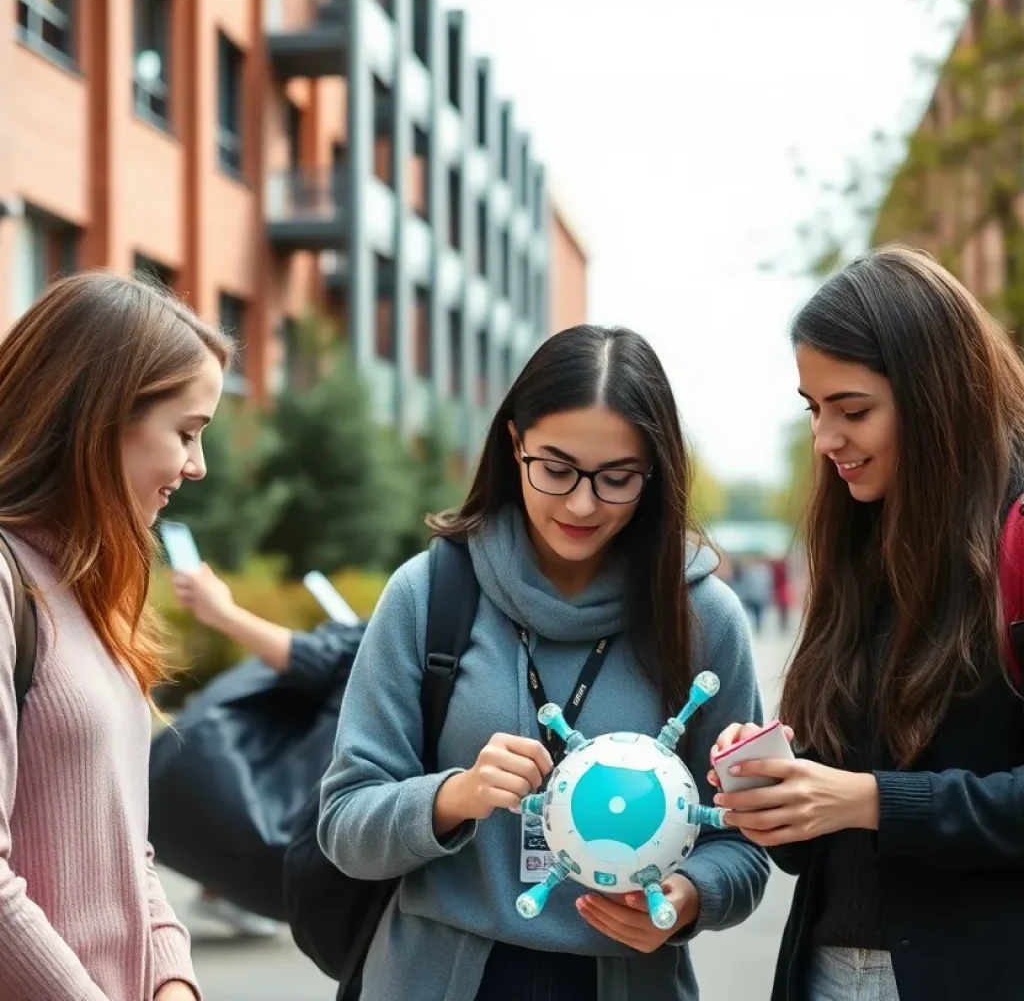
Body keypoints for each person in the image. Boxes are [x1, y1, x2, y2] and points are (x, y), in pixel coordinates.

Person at [318, 325, 770, 1001]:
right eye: (555, 470)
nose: (582, 504)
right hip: (437, 979)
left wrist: (686, 898)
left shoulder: (703, 618)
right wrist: (454, 797)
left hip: (625, 979)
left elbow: (746, 841)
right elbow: (344, 824)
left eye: (617, 479)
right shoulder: (429, 593)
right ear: (513, 444)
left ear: (656, 473)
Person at [709, 245, 1024, 1000]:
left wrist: (870, 800)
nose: (826, 440)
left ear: (936, 393)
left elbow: (873, 797)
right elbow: (817, 840)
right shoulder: (858, 541)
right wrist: (777, 783)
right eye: (814, 410)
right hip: (826, 972)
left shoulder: (1015, 533)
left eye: (853, 410)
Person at [0, 272, 232, 1000]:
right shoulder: (8, 577)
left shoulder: (92, 582)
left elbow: (124, 843)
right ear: (102, 417)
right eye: (187, 434)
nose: (197, 466)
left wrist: (172, 977)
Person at [168, 562, 358, 938]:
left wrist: (225, 615)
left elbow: (318, 656)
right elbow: (317, 656)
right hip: (298, 819)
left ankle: (223, 891)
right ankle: (224, 892)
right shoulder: (408, 629)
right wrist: (224, 614)